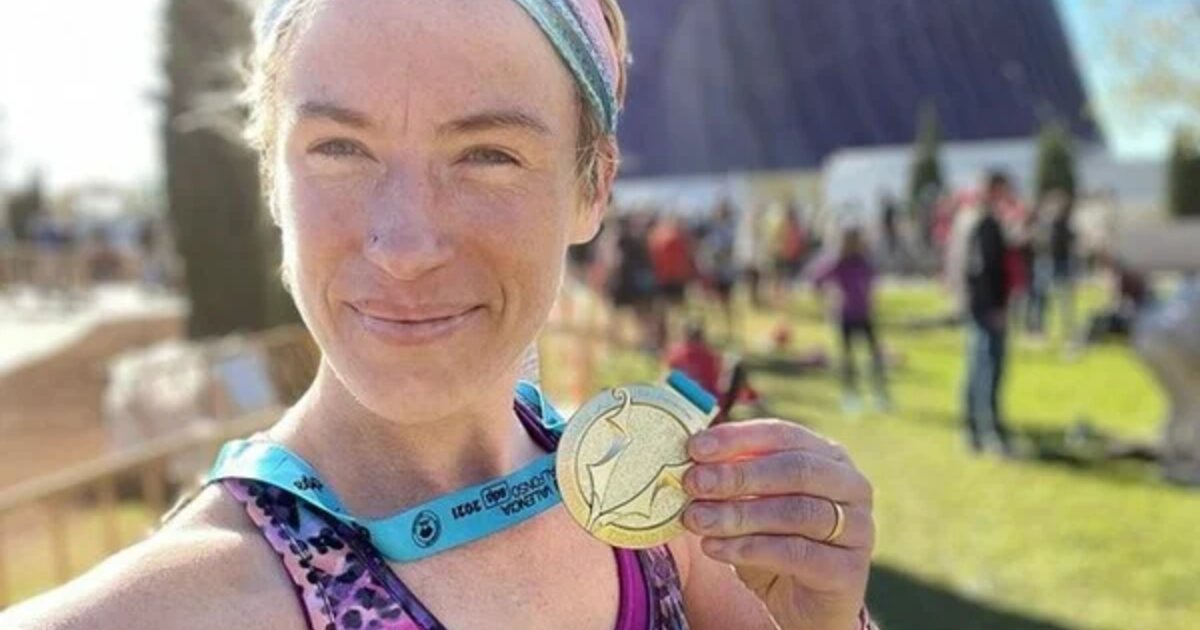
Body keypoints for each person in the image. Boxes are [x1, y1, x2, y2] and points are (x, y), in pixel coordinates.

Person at [2, 2, 878, 629]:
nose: (405, 245)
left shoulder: (664, 520)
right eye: (340, 147)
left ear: (593, 186)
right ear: (273, 177)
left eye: (488, 154)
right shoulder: (173, 608)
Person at [963, 171, 1016, 455]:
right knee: (987, 370)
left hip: (981, 307)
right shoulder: (985, 223)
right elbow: (982, 270)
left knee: (977, 368)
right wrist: (995, 308)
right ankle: (988, 431)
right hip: (988, 309)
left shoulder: (975, 220)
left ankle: (974, 430)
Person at [810, 226, 889, 413]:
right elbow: (816, 278)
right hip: (845, 315)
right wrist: (827, 299)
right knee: (848, 358)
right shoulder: (837, 262)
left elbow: (873, 281)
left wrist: (872, 299)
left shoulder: (864, 261)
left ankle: (879, 394)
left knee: (874, 356)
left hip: (864, 315)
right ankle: (851, 395)